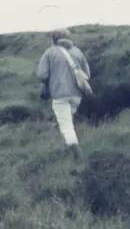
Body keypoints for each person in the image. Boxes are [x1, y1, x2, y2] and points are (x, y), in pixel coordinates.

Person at [36, 28, 90, 160]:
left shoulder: (49, 52)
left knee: (66, 127)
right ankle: (63, 150)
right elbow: (87, 74)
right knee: (64, 122)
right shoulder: (78, 52)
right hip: (77, 95)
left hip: (60, 95)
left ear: (53, 39)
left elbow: (42, 74)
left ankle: (78, 158)